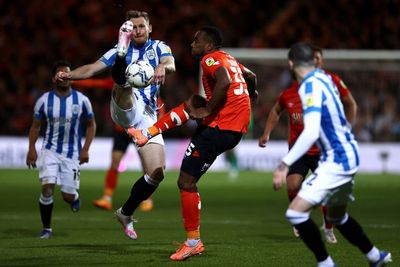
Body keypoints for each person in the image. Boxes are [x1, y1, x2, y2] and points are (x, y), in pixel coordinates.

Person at [130, 26, 257, 261]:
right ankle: (148, 133)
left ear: (208, 46)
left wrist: (209, 109)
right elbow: (251, 76)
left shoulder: (210, 60)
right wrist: (253, 93)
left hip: (221, 127)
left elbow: (225, 80)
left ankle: (193, 242)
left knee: (186, 182)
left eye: (196, 41)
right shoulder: (229, 58)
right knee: (193, 102)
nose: (192, 44)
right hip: (233, 127)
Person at [56, 10, 175, 240]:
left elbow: (170, 62)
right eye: (134, 27)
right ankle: (123, 60)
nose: (138, 30)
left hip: (148, 115)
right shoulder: (117, 48)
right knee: (124, 83)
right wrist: (69, 76)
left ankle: (125, 213)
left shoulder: (159, 47)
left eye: (141, 26)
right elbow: (91, 68)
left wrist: (162, 67)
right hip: (125, 106)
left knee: (157, 172)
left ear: (149, 28)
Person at [272, 42, 391, 267]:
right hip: (349, 154)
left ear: (290, 63)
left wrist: (283, 165)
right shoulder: (326, 79)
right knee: (337, 217)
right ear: (314, 61)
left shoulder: (309, 87)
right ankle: (375, 256)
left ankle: (325, 263)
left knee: (296, 215)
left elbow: (311, 131)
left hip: (337, 159)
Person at [258, 45, 358, 243]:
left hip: (324, 151)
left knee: (326, 193)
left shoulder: (329, 82)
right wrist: (267, 133)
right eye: (314, 59)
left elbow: (350, 104)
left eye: (318, 59)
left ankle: (328, 227)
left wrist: (346, 128)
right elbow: (276, 111)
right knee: (293, 184)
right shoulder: (290, 94)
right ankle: (300, 222)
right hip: (299, 151)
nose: (316, 62)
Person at [26, 60, 96, 239]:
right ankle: (47, 229)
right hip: (49, 150)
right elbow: (35, 127)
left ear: (72, 77)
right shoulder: (43, 101)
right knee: (47, 188)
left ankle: (74, 198)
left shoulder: (82, 100)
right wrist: (31, 149)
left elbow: (91, 125)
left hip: (72, 153)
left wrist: (86, 149)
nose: (64, 77)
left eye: (67, 74)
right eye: (60, 74)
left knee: (67, 195)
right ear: (54, 79)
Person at [92, 125, 154, 212]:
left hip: (141, 131)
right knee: (114, 163)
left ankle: (147, 200)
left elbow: (159, 112)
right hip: (122, 130)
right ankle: (106, 199)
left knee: (146, 165)